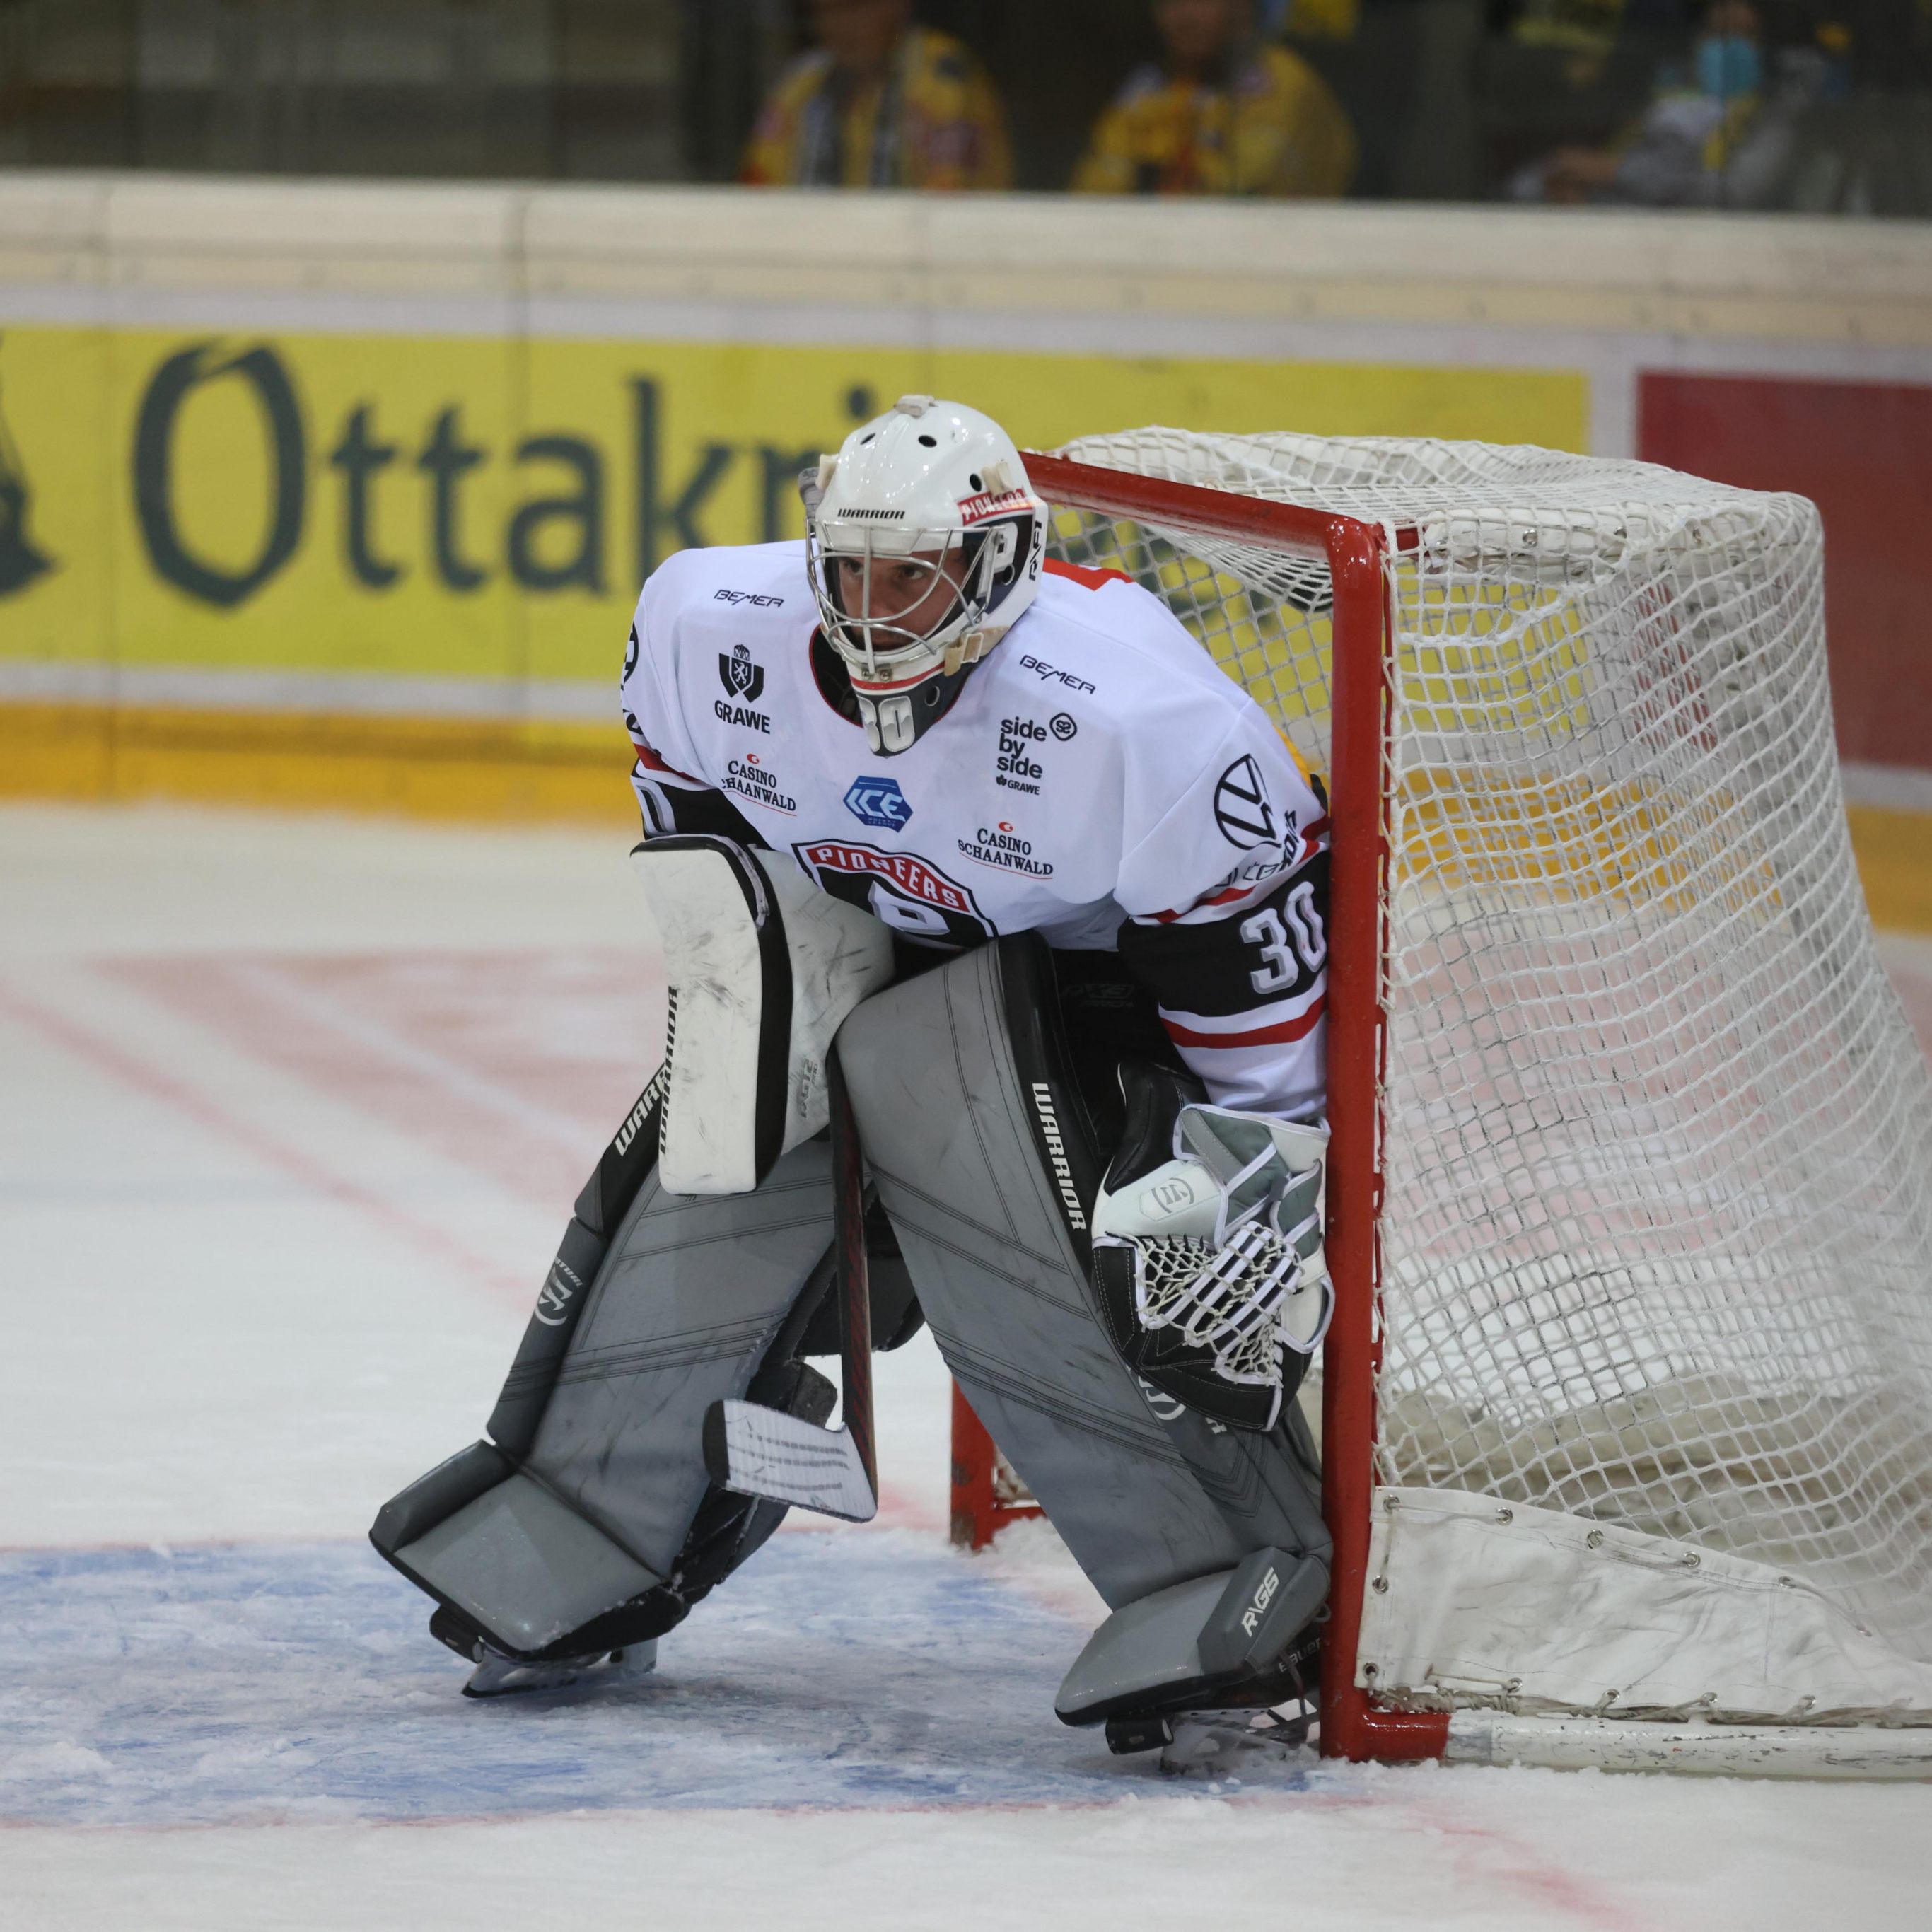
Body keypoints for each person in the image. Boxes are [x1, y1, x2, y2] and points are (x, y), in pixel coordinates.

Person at [373, 398, 1335, 1750]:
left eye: (913, 576)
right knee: (711, 1158)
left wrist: (1249, 1193)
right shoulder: (711, 629)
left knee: (967, 1118)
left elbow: (1258, 1018)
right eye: (851, 572)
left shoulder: (1151, 723)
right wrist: (753, 1050)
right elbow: (720, 882)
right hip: (864, 961)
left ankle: (1226, 1567)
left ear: (997, 569)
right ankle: (602, 1524)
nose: (873, 611)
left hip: (1097, 1013)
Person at [1513, 0, 1815, 207]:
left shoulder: (1773, 120)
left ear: (1765, 48)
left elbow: (1733, 196)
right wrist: (1572, 193)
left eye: (1744, 36)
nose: (1726, 46)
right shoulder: (1665, 104)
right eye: (1716, 33)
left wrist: (1613, 173)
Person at [1073, 0, 1356, 198]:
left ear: (1246, 7)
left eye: (1202, 1)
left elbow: (1246, 192)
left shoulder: (1284, 82)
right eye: (1169, 1)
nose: (1183, 15)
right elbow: (1096, 190)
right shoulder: (1151, 87)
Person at [742, 0, 1011, 192]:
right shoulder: (801, 84)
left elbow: (949, 205)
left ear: (897, 5)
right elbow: (758, 194)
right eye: (828, 11)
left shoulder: (941, 74)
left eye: (856, 7)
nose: (842, 26)